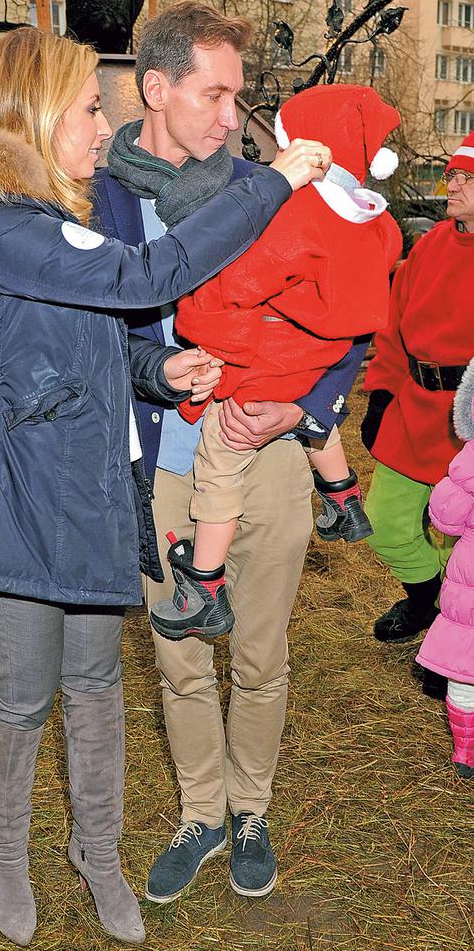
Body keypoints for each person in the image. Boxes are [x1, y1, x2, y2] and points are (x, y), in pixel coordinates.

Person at [0, 25, 327, 947]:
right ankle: (7, 858)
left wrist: (157, 371)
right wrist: (271, 183)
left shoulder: (59, 213)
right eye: (90, 107)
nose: (104, 124)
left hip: (92, 494)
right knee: (24, 694)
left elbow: (93, 342)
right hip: (15, 504)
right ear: (41, 112)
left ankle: (99, 855)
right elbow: (144, 275)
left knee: (94, 685)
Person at [148, 83, 403, 640]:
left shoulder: (298, 213)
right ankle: (343, 498)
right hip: (318, 357)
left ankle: (205, 584)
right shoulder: (380, 224)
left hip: (265, 366)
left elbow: (241, 280)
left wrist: (197, 307)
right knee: (318, 423)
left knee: (220, 461)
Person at [361, 131, 474, 652]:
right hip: (416, 411)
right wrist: (381, 393)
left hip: (468, 423)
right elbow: (391, 326)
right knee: (383, 523)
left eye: (465, 177)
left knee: (464, 547)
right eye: (452, 173)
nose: (452, 183)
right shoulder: (430, 244)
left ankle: (459, 643)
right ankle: (427, 597)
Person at [416, 357, 474, 779]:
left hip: (467, 593)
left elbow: (446, 519)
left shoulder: (468, 463)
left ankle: (465, 754)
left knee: (464, 673)